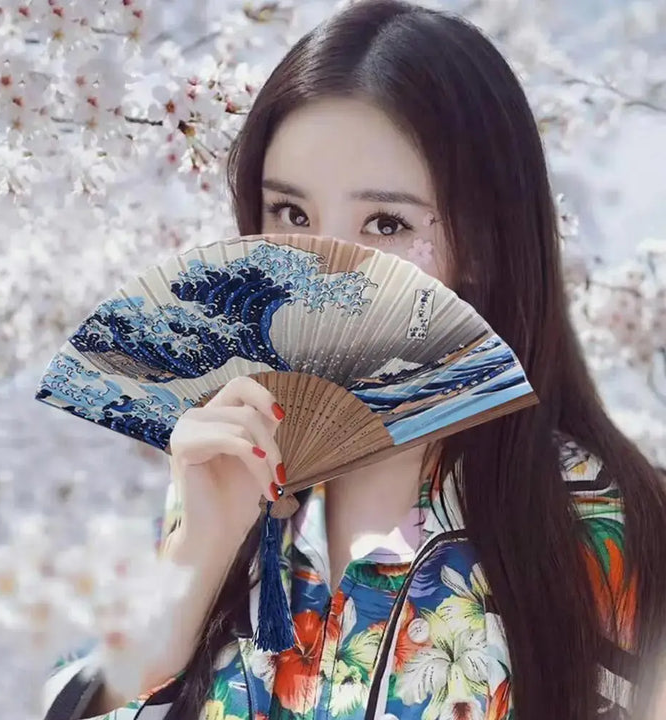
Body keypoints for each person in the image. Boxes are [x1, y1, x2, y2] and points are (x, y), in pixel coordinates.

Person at [41, 1, 666, 719]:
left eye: (387, 224)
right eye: (292, 215)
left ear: (483, 245)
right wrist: (198, 555)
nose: (321, 273)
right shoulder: (221, 482)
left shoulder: (601, 527)